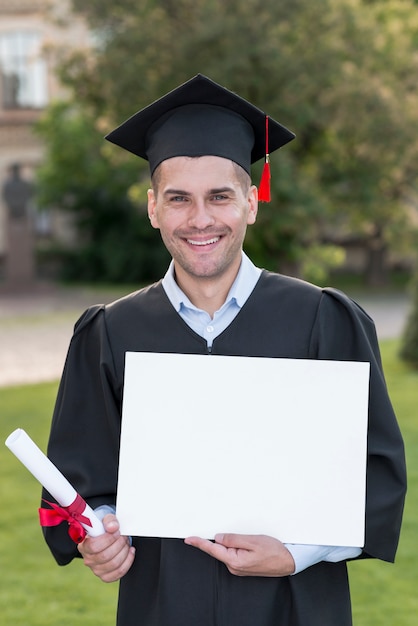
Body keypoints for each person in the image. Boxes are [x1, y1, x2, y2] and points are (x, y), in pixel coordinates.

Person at [41, 74, 406, 626]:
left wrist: (296, 552)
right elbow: (77, 482)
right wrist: (100, 533)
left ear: (252, 204)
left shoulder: (323, 321)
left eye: (220, 197)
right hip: (161, 603)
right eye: (178, 199)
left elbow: (374, 474)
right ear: (152, 208)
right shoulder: (111, 332)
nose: (201, 219)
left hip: (296, 605)